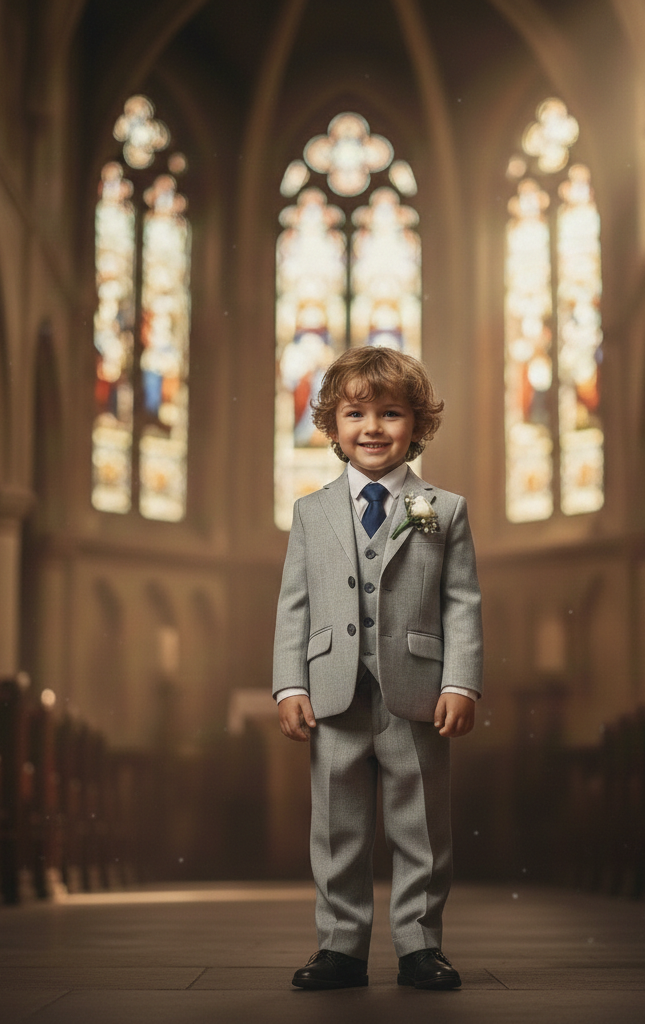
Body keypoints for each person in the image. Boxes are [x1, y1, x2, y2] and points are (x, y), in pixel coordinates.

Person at [273, 345, 484, 991]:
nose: (372, 428)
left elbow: (461, 602)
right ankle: (340, 946)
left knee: (420, 823)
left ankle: (421, 946)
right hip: (334, 693)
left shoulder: (442, 509)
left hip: (416, 691)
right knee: (337, 826)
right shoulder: (311, 512)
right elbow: (294, 604)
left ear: (417, 427)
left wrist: (461, 681)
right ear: (332, 427)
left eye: (391, 413)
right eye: (355, 413)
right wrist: (289, 683)